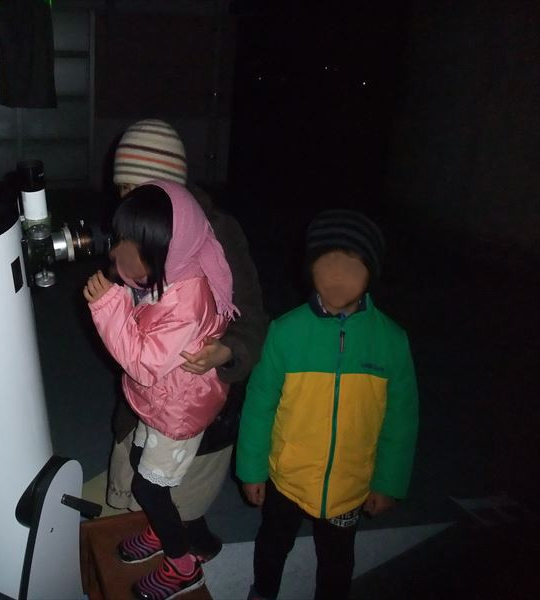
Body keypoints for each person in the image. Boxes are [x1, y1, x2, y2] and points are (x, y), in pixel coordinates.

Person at [236, 210, 419, 600]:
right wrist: (251, 469)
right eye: (326, 264)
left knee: (337, 561)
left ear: (371, 273)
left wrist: (388, 482)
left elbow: (401, 419)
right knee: (272, 544)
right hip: (286, 478)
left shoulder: (391, 341)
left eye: (351, 266)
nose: (337, 277)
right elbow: (259, 404)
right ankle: (263, 592)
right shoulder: (285, 332)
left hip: (349, 485)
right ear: (309, 268)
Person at [108, 118, 268, 560]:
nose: (125, 198)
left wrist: (228, 349)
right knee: (144, 475)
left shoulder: (217, 232)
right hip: (150, 388)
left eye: (135, 188)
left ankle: (193, 552)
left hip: (199, 399)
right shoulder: (138, 223)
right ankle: (160, 533)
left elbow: (252, 315)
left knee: (180, 499)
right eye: (122, 189)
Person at [84, 180, 238, 600]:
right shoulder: (167, 272)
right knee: (140, 463)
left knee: (149, 488)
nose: (121, 255)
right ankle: (158, 529)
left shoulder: (187, 301)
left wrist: (108, 307)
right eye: (121, 240)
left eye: (136, 249)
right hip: (160, 401)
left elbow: (144, 364)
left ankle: (183, 566)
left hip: (179, 410)